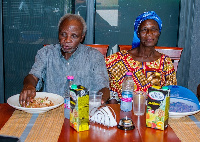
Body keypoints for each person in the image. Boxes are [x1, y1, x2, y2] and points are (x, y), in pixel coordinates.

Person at [19, 14, 110, 107]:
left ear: (82, 37)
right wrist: (28, 86)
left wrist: (98, 101)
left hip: (82, 112)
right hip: (51, 109)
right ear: (58, 33)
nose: (67, 40)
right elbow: (33, 76)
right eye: (63, 34)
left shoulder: (94, 56)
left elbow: (104, 88)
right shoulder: (46, 53)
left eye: (74, 36)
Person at [106, 11, 177, 100]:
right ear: (138, 34)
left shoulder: (165, 62)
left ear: (159, 33)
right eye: (144, 29)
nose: (149, 33)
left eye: (154, 29)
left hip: (156, 112)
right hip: (126, 110)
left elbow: (172, 94)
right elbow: (104, 86)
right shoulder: (118, 60)